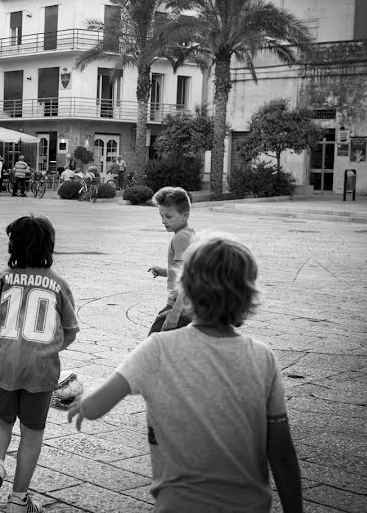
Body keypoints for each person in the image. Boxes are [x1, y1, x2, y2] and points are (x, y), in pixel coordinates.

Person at [68, 235, 302, 512]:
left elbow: (97, 405)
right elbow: (282, 454)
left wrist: (84, 403)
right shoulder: (263, 359)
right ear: (247, 296)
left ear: (186, 291)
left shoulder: (156, 350)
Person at [0, 215, 79, 512]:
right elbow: (71, 331)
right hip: (40, 368)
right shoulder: (58, 284)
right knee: (33, 429)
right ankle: (18, 499)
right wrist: (50, 349)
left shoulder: (3, 278)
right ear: (50, 246)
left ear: (12, 246)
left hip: (2, 361)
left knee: (2, 419)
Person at [147, 186, 197, 334]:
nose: (163, 221)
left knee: (153, 347)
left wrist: (175, 312)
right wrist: (164, 271)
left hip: (180, 305)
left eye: (168, 216)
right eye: (161, 216)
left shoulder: (181, 238)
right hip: (190, 304)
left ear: (185, 215)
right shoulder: (189, 234)